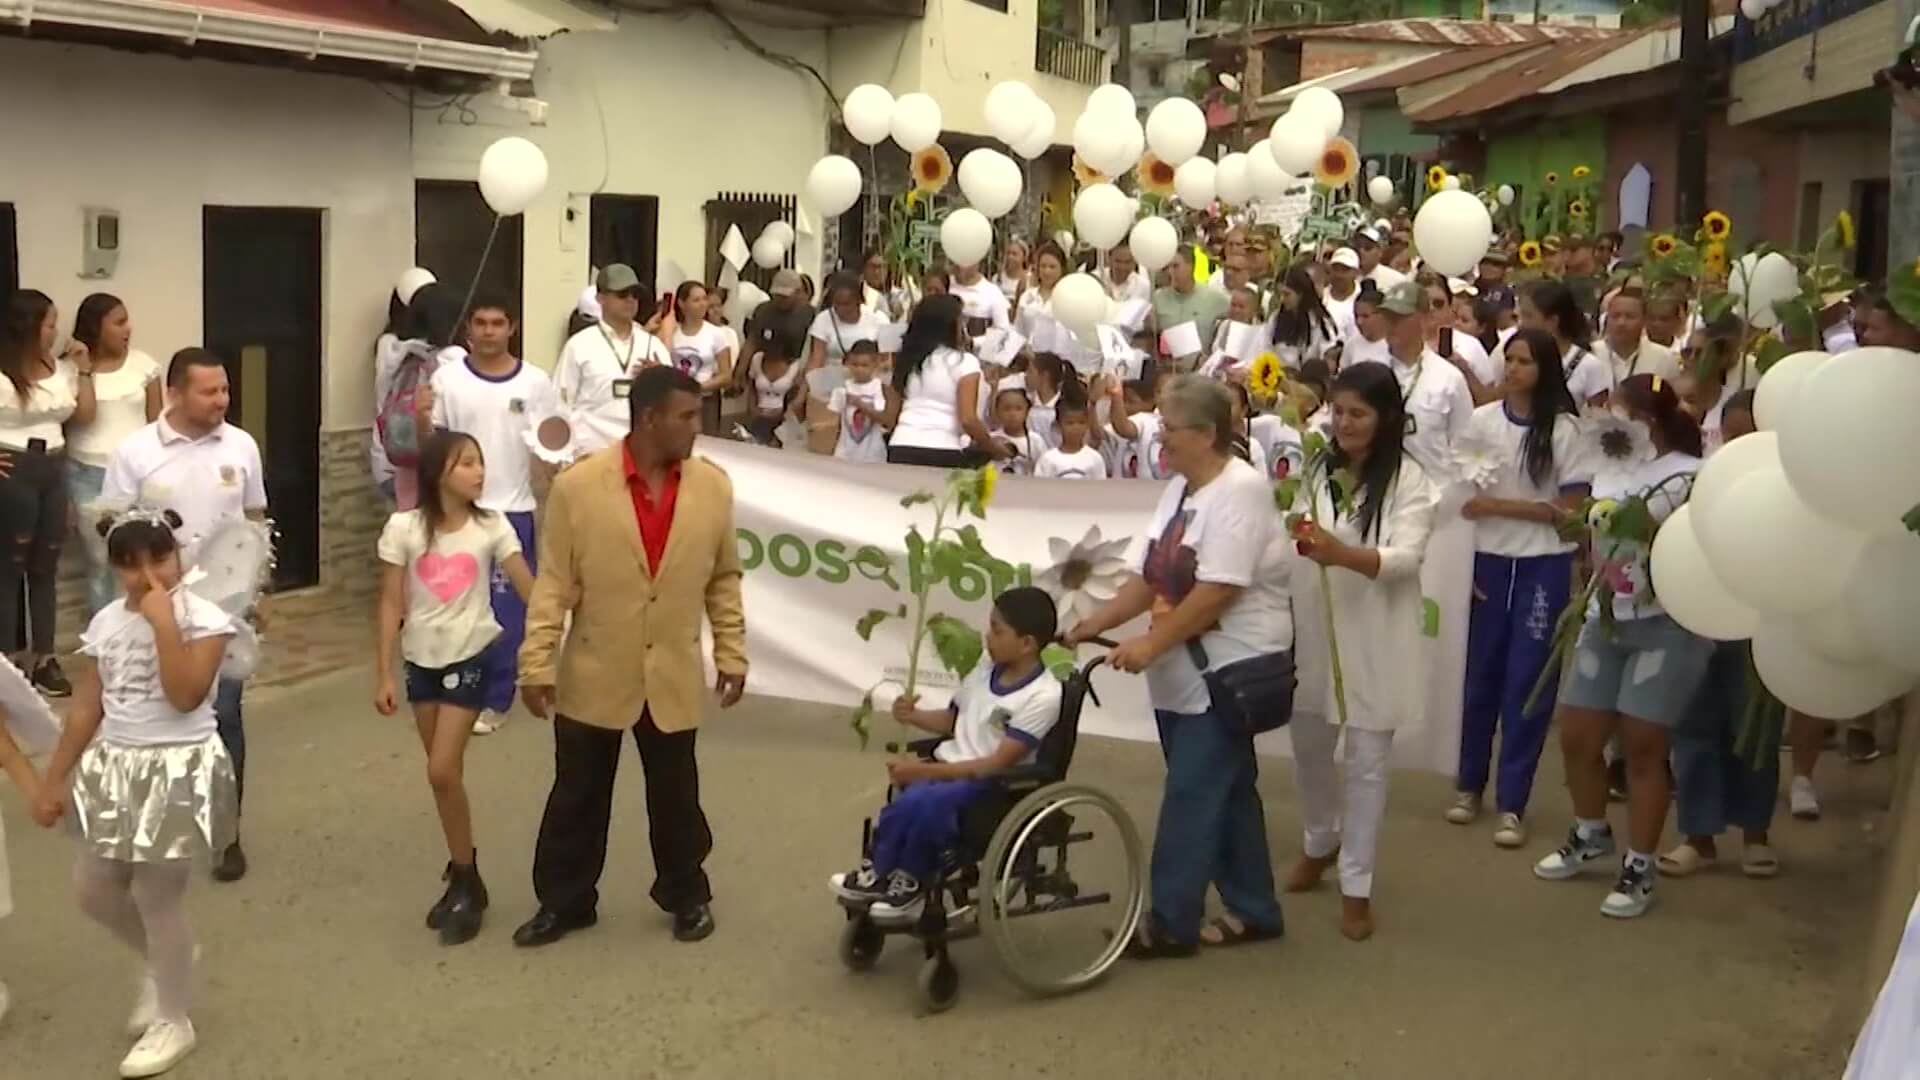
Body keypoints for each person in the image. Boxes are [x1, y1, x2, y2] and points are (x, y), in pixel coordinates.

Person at [514, 366, 747, 948]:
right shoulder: (579, 488)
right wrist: (536, 661)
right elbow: (554, 584)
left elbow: (724, 578)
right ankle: (565, 901)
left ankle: (686, 894)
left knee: (676, 797)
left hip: (670, 666)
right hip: (597, 666)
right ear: (649, 419)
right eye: (687, 417)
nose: (698, 427)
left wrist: (732, 651)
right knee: (577, 795)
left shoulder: (713, 487)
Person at [1065, 375, 1290, 956]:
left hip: (1226, 664)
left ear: (1208, 433)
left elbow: (1219, 589)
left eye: (1169, 426)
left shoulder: (1240, 490)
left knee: (1193, 791)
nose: (1159, 436)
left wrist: (1152, 643)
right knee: (1228, 788)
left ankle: (1170, 920)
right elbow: (1148, 577)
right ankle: (1254, 907)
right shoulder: (1182, 488)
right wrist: (1099, 621)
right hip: (1185, 664)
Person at [34, 508, 238, 1078]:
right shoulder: (105, 623)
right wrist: (53, 779)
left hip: (176, 767)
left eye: (159, 558)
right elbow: (86, 707)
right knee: (93, 890)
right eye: (130, 564)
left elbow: (185, 695)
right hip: (116, 764)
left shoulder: (206, 619)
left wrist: (164, 624)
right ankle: (166, 960)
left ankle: (174, 1017)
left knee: (157, 897)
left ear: (180, 555)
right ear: (114, 568)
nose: (148, 574)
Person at [1533, 374, 1710, 919]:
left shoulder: (1689, 475)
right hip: (1604, 617)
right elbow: (1589, 531)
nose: (1610, 420)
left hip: (1665, 623)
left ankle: (1640, 865)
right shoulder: (1606, 468)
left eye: (1621, 413)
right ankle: (1590, 831)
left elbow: (1698, 542)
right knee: (1579, 734)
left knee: (1642, 745)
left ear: (1650, 420)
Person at [1286, 363, 1440, 941]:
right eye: (1339, 410)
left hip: (1375, 634)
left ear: (1386, 419)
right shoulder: (1316, 468)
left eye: (1359, 413)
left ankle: (1357, 884)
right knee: (1308, 747)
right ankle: (1320, 840)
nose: (1345, 423)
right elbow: (1294, 529)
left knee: (1367, 765)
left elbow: (1406, 558)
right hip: (1315, 630)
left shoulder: (1409, 479)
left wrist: (1341, 554)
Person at [101, 348, 265, 883]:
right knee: (157, 716)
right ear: (175, 392)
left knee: (227, 718)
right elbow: (113, 528)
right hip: (156, 608)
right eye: (209, 391)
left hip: (222, 608)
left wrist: (257, 593)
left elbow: (255, 520)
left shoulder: (241, 446)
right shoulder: (134, 452)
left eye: (224, 390)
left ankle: (227, 832)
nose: (222, 400)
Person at [374, 431, 535, 944]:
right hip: (420, 658)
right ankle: (465, 875)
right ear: (439, 471)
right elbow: (390, 603)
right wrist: (382, 670)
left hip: (472, 655)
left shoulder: (492, 526)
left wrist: (558, 628)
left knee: (441, 767)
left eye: (480, 463)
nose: (479, 473)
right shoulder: (404, 528)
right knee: (446, 780)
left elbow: (529, 587)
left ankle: (465, 876)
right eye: (467, 463)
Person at [831, 588, 1062, 917]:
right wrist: (912, 716)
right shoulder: (985, 668)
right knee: (904, 804)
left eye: (997, 631)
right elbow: (953, 721)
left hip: (991, 783)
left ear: (1027, 643)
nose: (987, 637)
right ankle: (879, 873)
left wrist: (922, 772)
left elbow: (996, 763)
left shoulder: (1044, 696)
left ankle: (910, 882)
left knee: (922, 800)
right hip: (950, 769)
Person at [1449, 328, 1588, 849]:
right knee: (1478, 678)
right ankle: (1468, 785)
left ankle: (1513, 802)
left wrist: (1502, 508)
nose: (1512, 369)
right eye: (1508, 360)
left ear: (1544, 368)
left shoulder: (1566, 432)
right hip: (1485, 562)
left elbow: (1570, 514)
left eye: (1524, 361)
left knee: (1527, 685)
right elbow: (1460, 500)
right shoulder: (1481, 423)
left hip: (1541, 567)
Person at [1655, 390, 1782, 880]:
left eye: (1747, 435)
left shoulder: (1788, 486)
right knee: (1693, 731)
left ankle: (1755, 833)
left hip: (1761, 625)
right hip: (1698, 619)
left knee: (1754, 732)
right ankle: (1698, 837)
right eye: (1729, 435)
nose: (1737, 444)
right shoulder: (1698, 479)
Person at [427, 298, 555, 736]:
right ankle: (459, 690)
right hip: (458, 513)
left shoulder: (536, 382)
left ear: (511, 328)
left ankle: (498, 697)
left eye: (497, 323)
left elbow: (552, 441)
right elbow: (434, 443)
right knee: (457, 605)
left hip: (513, 510)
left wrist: (559, 474)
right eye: (480, 323)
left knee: (507, 612)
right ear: (468, 328)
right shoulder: (447, 379)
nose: (488, 331)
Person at [1, 289, 91, 697]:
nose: (56, 330)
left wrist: (84, 369)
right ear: (28, 325)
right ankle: (7, 662)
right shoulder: (3, 371)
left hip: (54, 467)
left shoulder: (61, 369)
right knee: (9, 569)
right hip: (14, 469)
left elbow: (80, 416)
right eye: (50, 323)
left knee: (45, 567)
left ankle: (44, 657)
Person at [65, 294, 163, 619]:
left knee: (141, 559)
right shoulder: (71, 371)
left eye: (127, 320)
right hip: (87, 475)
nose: (128, 328)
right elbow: (77, 422)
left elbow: (157, 425)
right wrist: (83, 370)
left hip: (137, 476)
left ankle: (143, 630)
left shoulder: (144, 366)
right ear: (97, 327)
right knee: (100, 563)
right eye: (119, 322)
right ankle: (105, 640)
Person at [553, 264, 669, 456]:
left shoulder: (653, 345)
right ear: (600, 298)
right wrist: (562, 455)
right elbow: (560, 404)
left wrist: (660, 377)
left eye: (635, 294)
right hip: (591, 452)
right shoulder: (579, 345)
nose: (630, 300)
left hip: (641, 455)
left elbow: (674, 402)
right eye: (622, 294)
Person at [885, 295, 1003, 467]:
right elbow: (968, 420)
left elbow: (890, 417)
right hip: (942, 447)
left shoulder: (906, 361)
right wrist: (992, 447)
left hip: (901, 444)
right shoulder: (964, 362)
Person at [1519, 281, 1610, 406]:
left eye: (1528, 316)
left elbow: (1599, 418)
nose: (1521, 324)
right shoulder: (1516, 358)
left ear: (1552, 321)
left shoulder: (1589, 366)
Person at [667, 282, 734, 433]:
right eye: (696, 300)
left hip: (706, 400)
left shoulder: (716, 334)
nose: (703, 304)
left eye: (704, 299)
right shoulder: (672, 332)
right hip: (676, 400)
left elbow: (726, 375)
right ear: (682, 303)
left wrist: (699, 387)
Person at [1152, 245, 1230, 353]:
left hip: (1201, 367)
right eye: (1167, 267)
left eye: (1175, 266)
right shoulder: (1157, 298)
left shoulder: (1216, 298)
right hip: (1168, 367)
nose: (1170, 272)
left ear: (1191, 266)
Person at [743, 270, 815, 378]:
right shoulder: (762, 311)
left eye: (785, 296)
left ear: (798, 292)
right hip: (763, 370)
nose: (780, 299)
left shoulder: (810, 315)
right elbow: (751, 342)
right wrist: (741, 371)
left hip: (795, 371)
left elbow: (813, 352)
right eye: (777, 295)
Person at [806, 272, 886, 369]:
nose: (840, 309)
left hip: (867, 378)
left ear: (858, 300)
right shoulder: (823, 319)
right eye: (837, 303)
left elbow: (885, 360)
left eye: (846, 304)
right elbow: (817, 359)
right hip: (830, 378)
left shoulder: (878, 318)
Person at [827, 341, 889, 463]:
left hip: (873, 454)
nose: (859, 369)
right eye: (854, 364)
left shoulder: (881, 388)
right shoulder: (841, 388)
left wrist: (859, 404)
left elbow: (884, 418)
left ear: (875, 364)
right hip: (844, 452)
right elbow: (833, 420)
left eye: (864, 365)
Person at [1269, 265, 1336, 369]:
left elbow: (1328, 361)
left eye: (1287, 294)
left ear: (1301, 294)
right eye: (1279, 294)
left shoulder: (1321, 323)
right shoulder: (1276, 319)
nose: (1282, 299)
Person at [745, 331, 801, 446]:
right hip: (758, 415)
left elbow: (795, 395)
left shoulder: (795, 366)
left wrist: (783, 412)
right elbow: (751, 387)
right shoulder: (757, 359)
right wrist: (753, 409)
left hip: (782, 418)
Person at [1034, 392, 1106, 479]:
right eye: (1070, 423)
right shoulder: (1048, 459)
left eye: (1081, 422)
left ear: (1087, 424)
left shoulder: (1095, 458)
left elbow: (1100, 489)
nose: (1076, 427)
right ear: (1058, 426)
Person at [947, 260, 1012, 338]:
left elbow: (1002, 330)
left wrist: (976, 342)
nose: (958, 265)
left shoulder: (992, 292)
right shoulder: (944, 285)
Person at [989, 387, 1041, 475]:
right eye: (1006, 408)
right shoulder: (990, 439)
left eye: (1018, 409)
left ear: (1027, 411)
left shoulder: (1035, 441)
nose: (1012, 414)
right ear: (997, 411)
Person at [1342, 285, 1392, 369]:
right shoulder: (1351, 344)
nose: (1359, 322)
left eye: (1365, 316)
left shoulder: (1395, 345)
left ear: (1382, 314)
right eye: (1356, 316)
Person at [1321, 248, 1363, 343]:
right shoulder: (1320, 296)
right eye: (1336, 269)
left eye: (1345, 270)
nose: (1339, 275)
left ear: (1356, 273)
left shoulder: (1363, 300)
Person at [1353, 226, 1406, 291]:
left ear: (1380, 251)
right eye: (1357, 246)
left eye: (1368, 247)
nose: (1361, 251)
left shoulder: (1396, 281)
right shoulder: (1344, 276)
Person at [995, 238, 1030, 303]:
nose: (1010, 257)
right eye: (1008, 253)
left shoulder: (1029, 280)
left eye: (1014, 254)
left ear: (1024, 257)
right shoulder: (997, 278)